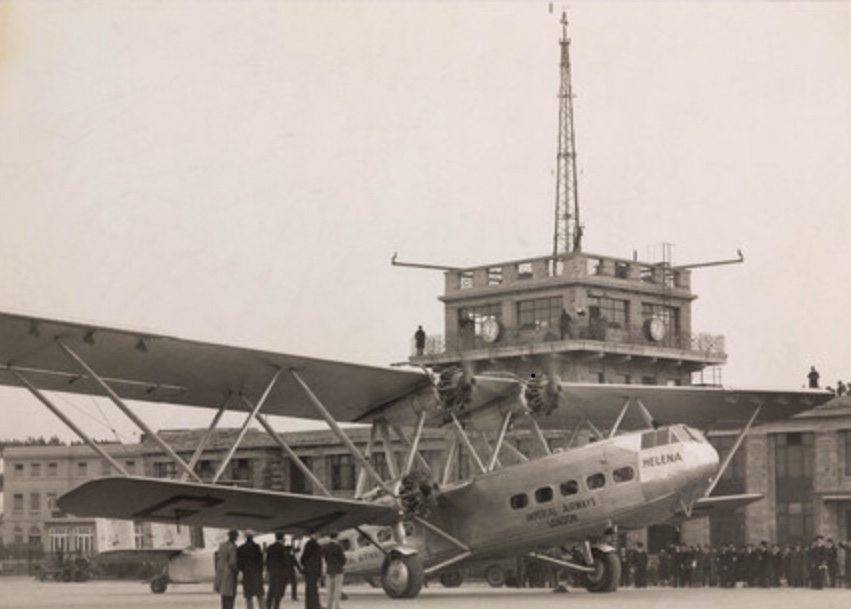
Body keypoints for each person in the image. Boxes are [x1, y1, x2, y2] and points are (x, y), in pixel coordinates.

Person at [267, 533, 301, 609]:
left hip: (272, 572)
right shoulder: (283, 549)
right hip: (280, 573)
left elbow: (268, 560)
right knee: (278, 592)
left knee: (271, 590)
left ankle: (268, 606)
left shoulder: (270, 547)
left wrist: (269, 570)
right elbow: (285, 561)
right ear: (282, 539)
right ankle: (276, 607)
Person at [238, 530, 265, 609]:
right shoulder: (256, 547)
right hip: (256, 574)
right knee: (260, 595)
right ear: (252, 537)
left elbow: (239, 563)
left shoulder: (241, 548)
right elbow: (260, 561)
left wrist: (244, 570)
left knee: (248, 597)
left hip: (247, 574)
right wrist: (260, 571)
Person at [215, 530, 239, 609]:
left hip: (221, 573)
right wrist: (236, 571)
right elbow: (232, 562)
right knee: (230, 597)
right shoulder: (233, 547)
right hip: (229, 574)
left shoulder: (222, 545)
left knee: (224, 596)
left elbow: (217, 558)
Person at [323, 531, 347, 609]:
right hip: (338, 570)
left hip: (329, 570)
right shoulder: (338, 547)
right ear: (337, 537)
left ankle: (328, 606)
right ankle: (337, 606)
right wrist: (340, 564)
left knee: (329, 590)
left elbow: (326, 558)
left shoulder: (326, 547)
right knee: (337, 589)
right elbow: (343, 559)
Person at [300, 530, 323, 609]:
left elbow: (303, 558)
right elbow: (318, 560)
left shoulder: (308, 544)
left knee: (310, 589)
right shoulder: (315, 545)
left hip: (309, 570)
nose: (319, 536)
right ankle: (315, 606)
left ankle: (310, 606)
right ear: (314, 535)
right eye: (318, 534)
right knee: (313, 589)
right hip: (313, 570)